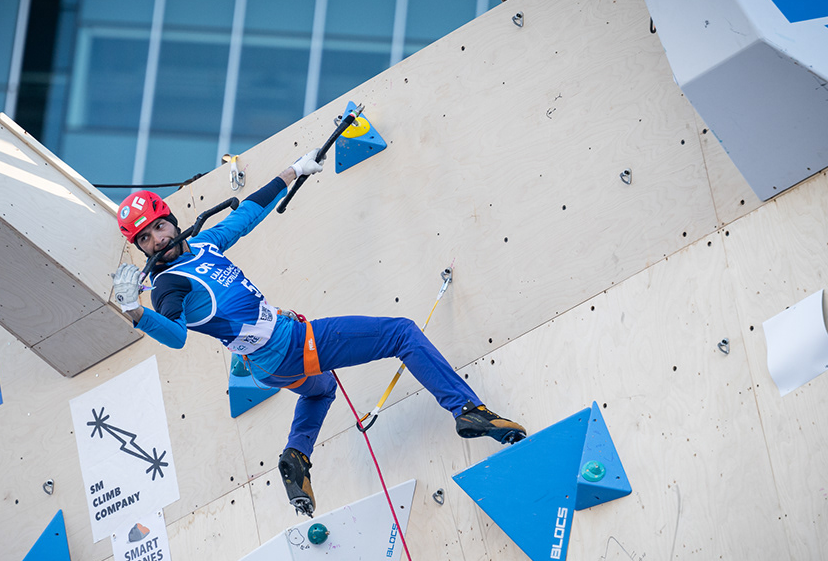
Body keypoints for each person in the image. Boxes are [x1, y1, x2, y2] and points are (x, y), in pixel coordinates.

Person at [111, 149, 525, 516]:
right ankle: (466, 409)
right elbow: (177, 335)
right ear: (142, 249)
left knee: (321, 389)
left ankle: (296, 455)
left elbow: (246, 215)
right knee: (402, 333)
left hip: (269, 364)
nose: (156, 240)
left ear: (170, 220)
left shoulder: (203, 246)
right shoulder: (168, 284)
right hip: (289, 346)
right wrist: (134, 311)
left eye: (158, 228)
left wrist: (293, 171)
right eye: (144, 239)